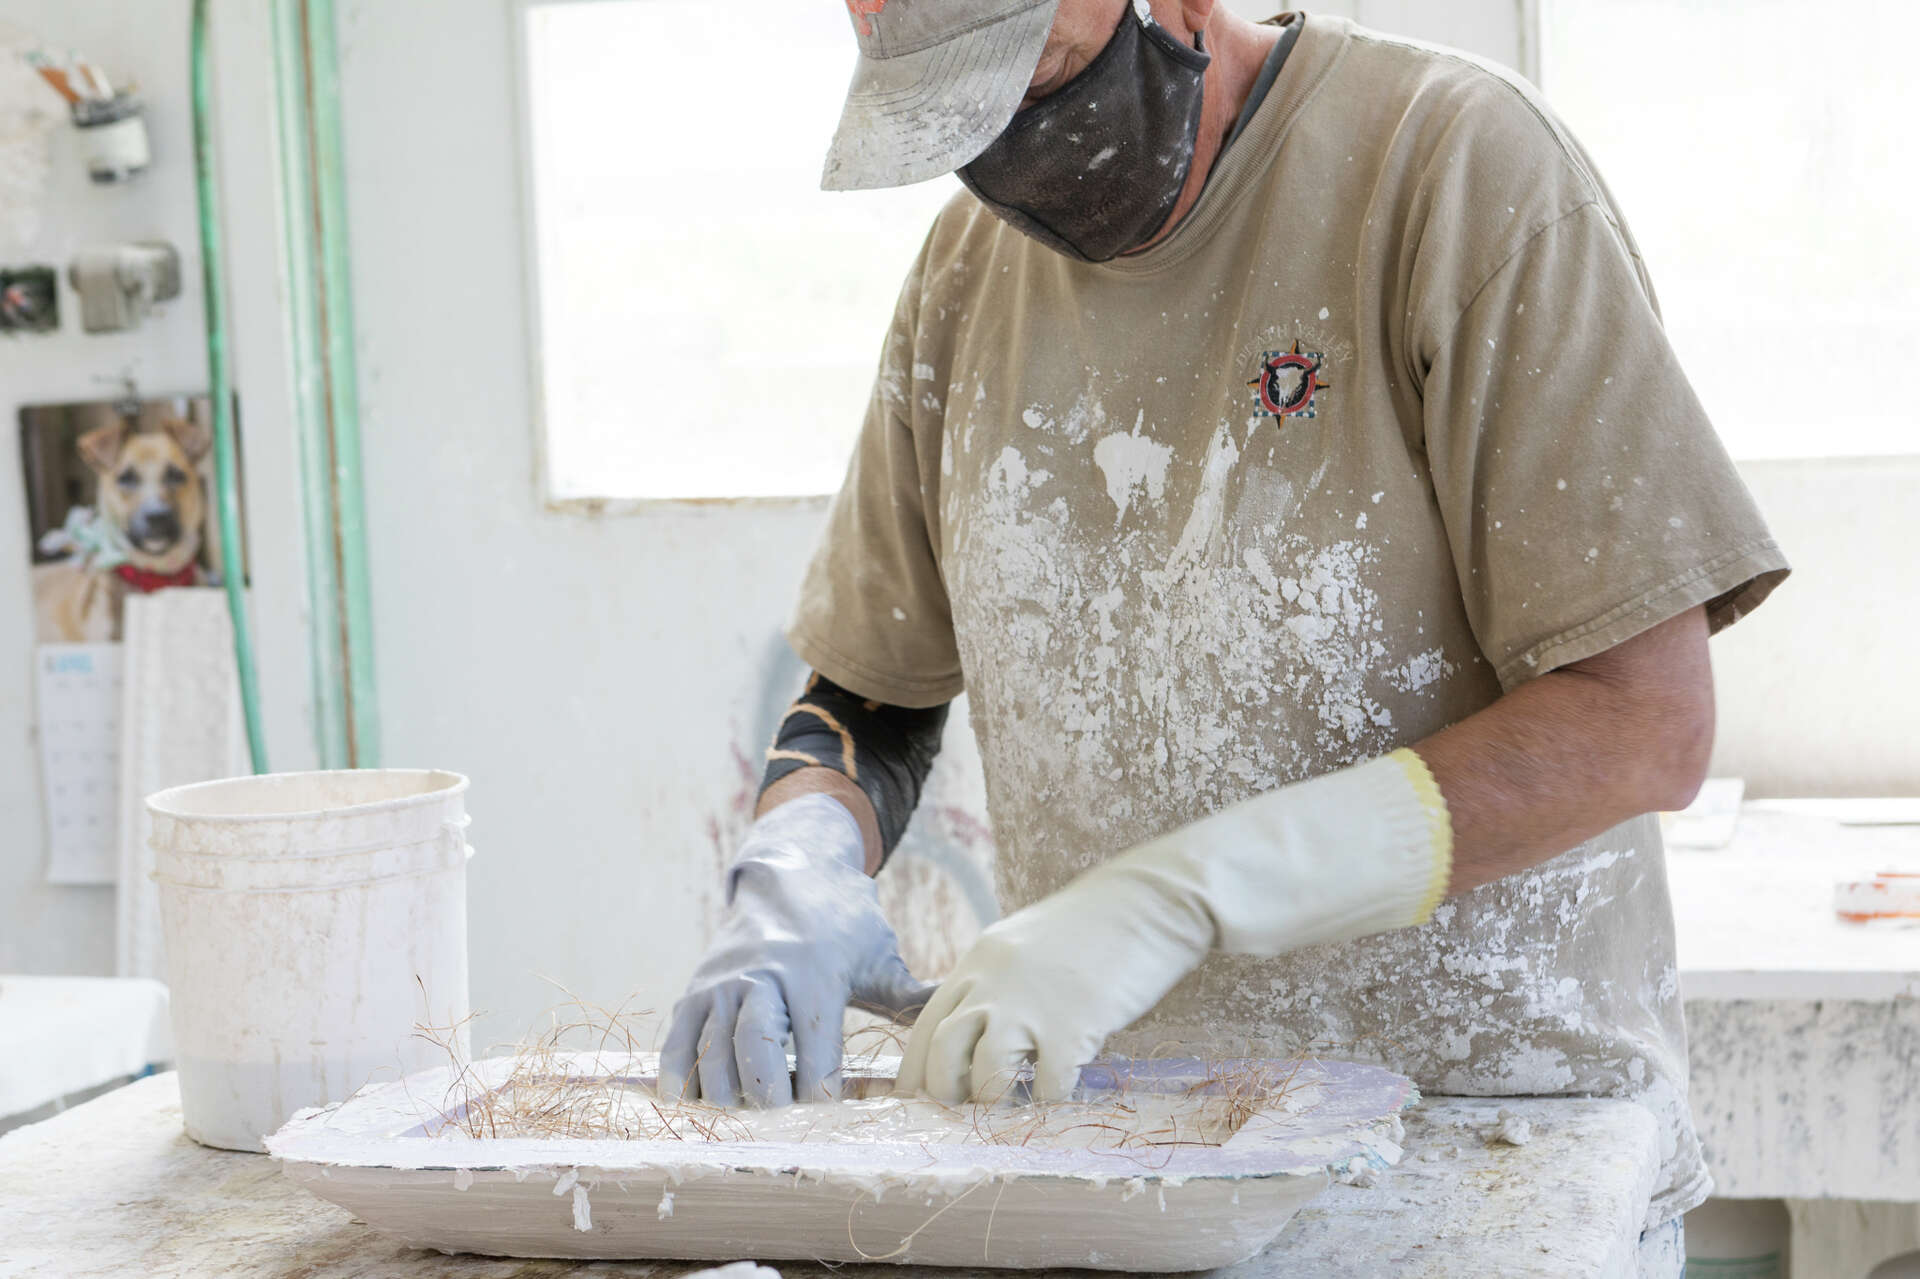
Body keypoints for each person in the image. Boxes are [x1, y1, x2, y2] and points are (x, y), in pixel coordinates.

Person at [660, 0, 1789, 1268]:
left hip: (1490, 1155)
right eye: (957, 113)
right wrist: (797, 859)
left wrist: (1181, 898)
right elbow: (874, 686)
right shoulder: (966, 279)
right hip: (1130, 1164)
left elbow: (1642, 723)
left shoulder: (1450, 170)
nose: (1012, 147)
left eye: (1040, 74)